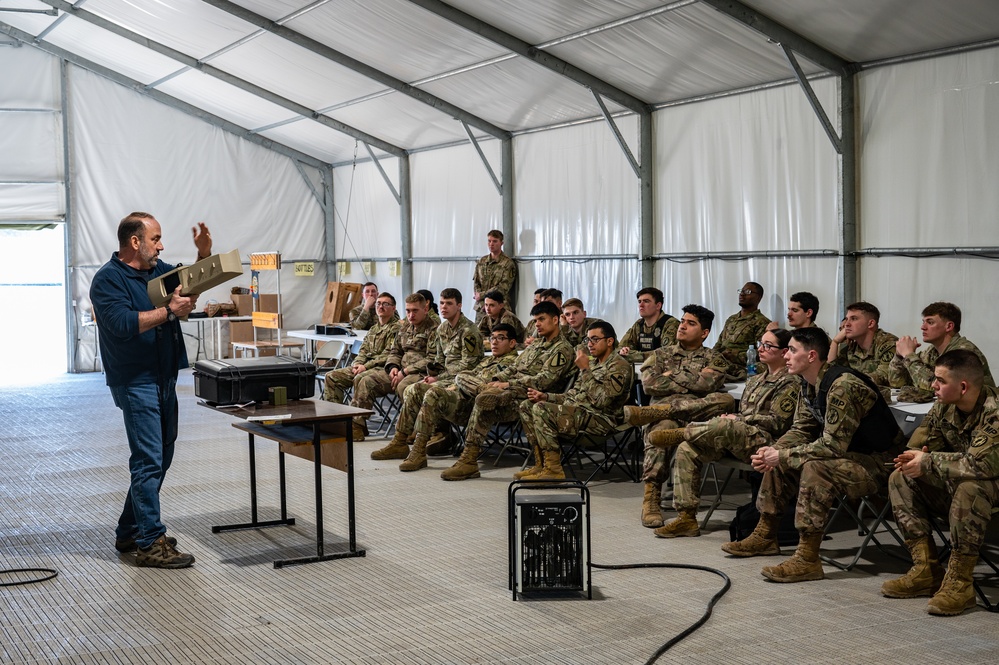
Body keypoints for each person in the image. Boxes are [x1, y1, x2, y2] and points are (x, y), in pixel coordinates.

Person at [727, 327, 905, 583]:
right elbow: (802, 429)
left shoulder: (842, 385)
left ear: (811, 356)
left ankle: (807, 559)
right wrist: (774, 451)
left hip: (882, 464)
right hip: (848, 457)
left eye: (792, 350)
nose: (786, 356)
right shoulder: (807, 382)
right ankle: (765, 535)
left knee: (814, 467)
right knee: (781, 457)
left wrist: (783, 455)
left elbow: (832, 447)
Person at [90, 212, 212, 568]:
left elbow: (187, 288)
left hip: (163, 376)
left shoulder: (159, 271)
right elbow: (122, 323)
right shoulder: (108, 280)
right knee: (148, 460)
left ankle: (130, 530)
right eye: (155, 239)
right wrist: (170, 312)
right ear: (135, 242)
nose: (161, 245)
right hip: (135, 379)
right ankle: (149, 540)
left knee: (163, 456)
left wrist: (204, 255)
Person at [883, 350, 999, 616]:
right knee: (901, 477)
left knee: (970, 486)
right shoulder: (944, 405)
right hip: (962, 481)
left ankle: (960, 583)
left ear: (963, 386)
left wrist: (928, 460)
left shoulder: (994, 412)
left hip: (989, 485)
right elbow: (921, 445)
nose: (932, 385)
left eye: (939, 380)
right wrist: (914, 458)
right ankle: (926, 569)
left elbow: (981, 465)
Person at [652, 329, 800, 538]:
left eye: (768, 345)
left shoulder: (791, 382)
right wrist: (732, 418)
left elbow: (778, 423)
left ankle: (684, 431)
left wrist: (737, 420)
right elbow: (743, 413)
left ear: (784, 352)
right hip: (742, 437)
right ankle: (686, 518)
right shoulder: (755, 380)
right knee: (688, 448)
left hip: (768, 443)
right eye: (761, 343)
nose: (761, 349)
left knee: (725, 426)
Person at [440, 301, 575, 481]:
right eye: (535, 321)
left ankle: (469, 460)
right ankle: (487, 393)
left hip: (531, 396)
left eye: (542, 319)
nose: (537, 325)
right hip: (508, 391)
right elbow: (513, 368)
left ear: (556, 319)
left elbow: (543, 381)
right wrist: (496, 381)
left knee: (483, 402)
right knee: (465, 379)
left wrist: (508, 386)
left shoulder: (562, 349)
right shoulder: (535, 345)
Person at [626, 305, 733, 528]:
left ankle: (667, 410)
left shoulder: (715, 358)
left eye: (690, 323)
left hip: (697, 418)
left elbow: (708, 383)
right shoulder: (660, 354)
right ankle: (652, 498)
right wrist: (693, 379)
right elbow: (650, 385)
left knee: (727, 401)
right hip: (669, 417)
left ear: (704, 333)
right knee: (662, 427)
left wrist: (671, 375)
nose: (682, 326)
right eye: (683, 321)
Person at [386, 324, 521, 472]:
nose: (494, 342)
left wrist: (458, 384)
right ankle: (399, 442)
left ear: (512, 343)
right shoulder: (486, 361)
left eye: (500, 338)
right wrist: (452, 385)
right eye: (492, 338)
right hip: (461, 395)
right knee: (416, 389)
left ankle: (418, 451)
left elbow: (495, 383)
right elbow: (469, 376)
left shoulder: (514, 363)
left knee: (435, 393)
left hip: (476, 405)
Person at [372, 288, 484, 461]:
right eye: (442, 303)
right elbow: (438, 360)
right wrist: (432, 372)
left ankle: (421, 446)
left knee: (422, 390)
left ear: (459, 306)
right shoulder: (442, 329)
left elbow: (469, 365)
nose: (444, 307)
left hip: (462, 382)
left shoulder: (469, 331)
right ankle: (400, 442)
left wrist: (438, 378)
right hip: (444, 378)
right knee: (414, 389)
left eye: (449, 304)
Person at [517, 321, 633, 480]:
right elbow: (573, 395)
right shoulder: (592, 363)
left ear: (609, 341)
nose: (589, 344)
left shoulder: (619, 366)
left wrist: (585, 370)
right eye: (587, 340)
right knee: (527, 405)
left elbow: (601, 401)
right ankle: (541, 464)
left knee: (541, 409)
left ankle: (553, 470)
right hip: (579, 414)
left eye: (595, 339)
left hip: (601, 420)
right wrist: (546, 396)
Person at [361, 292, 438, 452]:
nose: (411, 315)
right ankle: (357, 425)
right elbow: (394, 352)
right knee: (367, 381)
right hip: (400, 371)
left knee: (405, 386)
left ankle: (413, 429)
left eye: (415, 311)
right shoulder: (404, 328)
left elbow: (432, 359)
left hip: (421, 372)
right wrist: (393, 368)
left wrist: (406, 371)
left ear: (425, 308)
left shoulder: (434, 329)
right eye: (408, 310)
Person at [323, 292, 403, 439]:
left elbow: (388, 355)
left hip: (383, 369)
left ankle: (356, 426)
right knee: (331, 376)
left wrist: (365, 367)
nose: (381, 307)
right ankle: (337, 420)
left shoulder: (396, 328)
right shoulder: (373, 329)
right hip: (365, 366)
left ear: (394, 308)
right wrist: (358, 363)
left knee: (363, 379)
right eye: (378, 304)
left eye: (386, 304)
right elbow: (363, 350)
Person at [889, 301, 995, 402]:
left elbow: (936, 386)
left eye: (930, 322)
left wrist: (908, 355)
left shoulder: (963, 352)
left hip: (981, 412)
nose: (923, 327)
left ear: (949, 326)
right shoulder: (931, 352)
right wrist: (899, 356)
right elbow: (896, 382)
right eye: (923, 322)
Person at [827, 301, 898, 387]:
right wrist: (835, 342)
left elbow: (883, 376)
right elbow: (830, 373)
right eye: (847, 319)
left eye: (854, 319)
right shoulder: (851, 346)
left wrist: (848, 380)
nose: (846, 324)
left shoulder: (888, 343)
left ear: (871, 323)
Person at [713, 282, 771, 380]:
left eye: (747, 292)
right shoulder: (732, 319)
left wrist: (734, 355)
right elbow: (719, 344)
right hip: (721, 366)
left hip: (742, 370)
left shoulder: (761, 322)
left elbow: (762, 353)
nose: (742, 294)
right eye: (741, 291)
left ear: (759, 297)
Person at [472, 229, 517, 323]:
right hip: (482, 308)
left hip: (499, 308)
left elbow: (503, 287)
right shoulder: (482, 261)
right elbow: (476, 283)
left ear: (501, 243)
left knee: (500, 335)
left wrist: (483, 296)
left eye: (495, 241)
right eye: (489, 241)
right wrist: (482, 303)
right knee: (480, 335)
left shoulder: (507, 263)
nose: (491, 244)